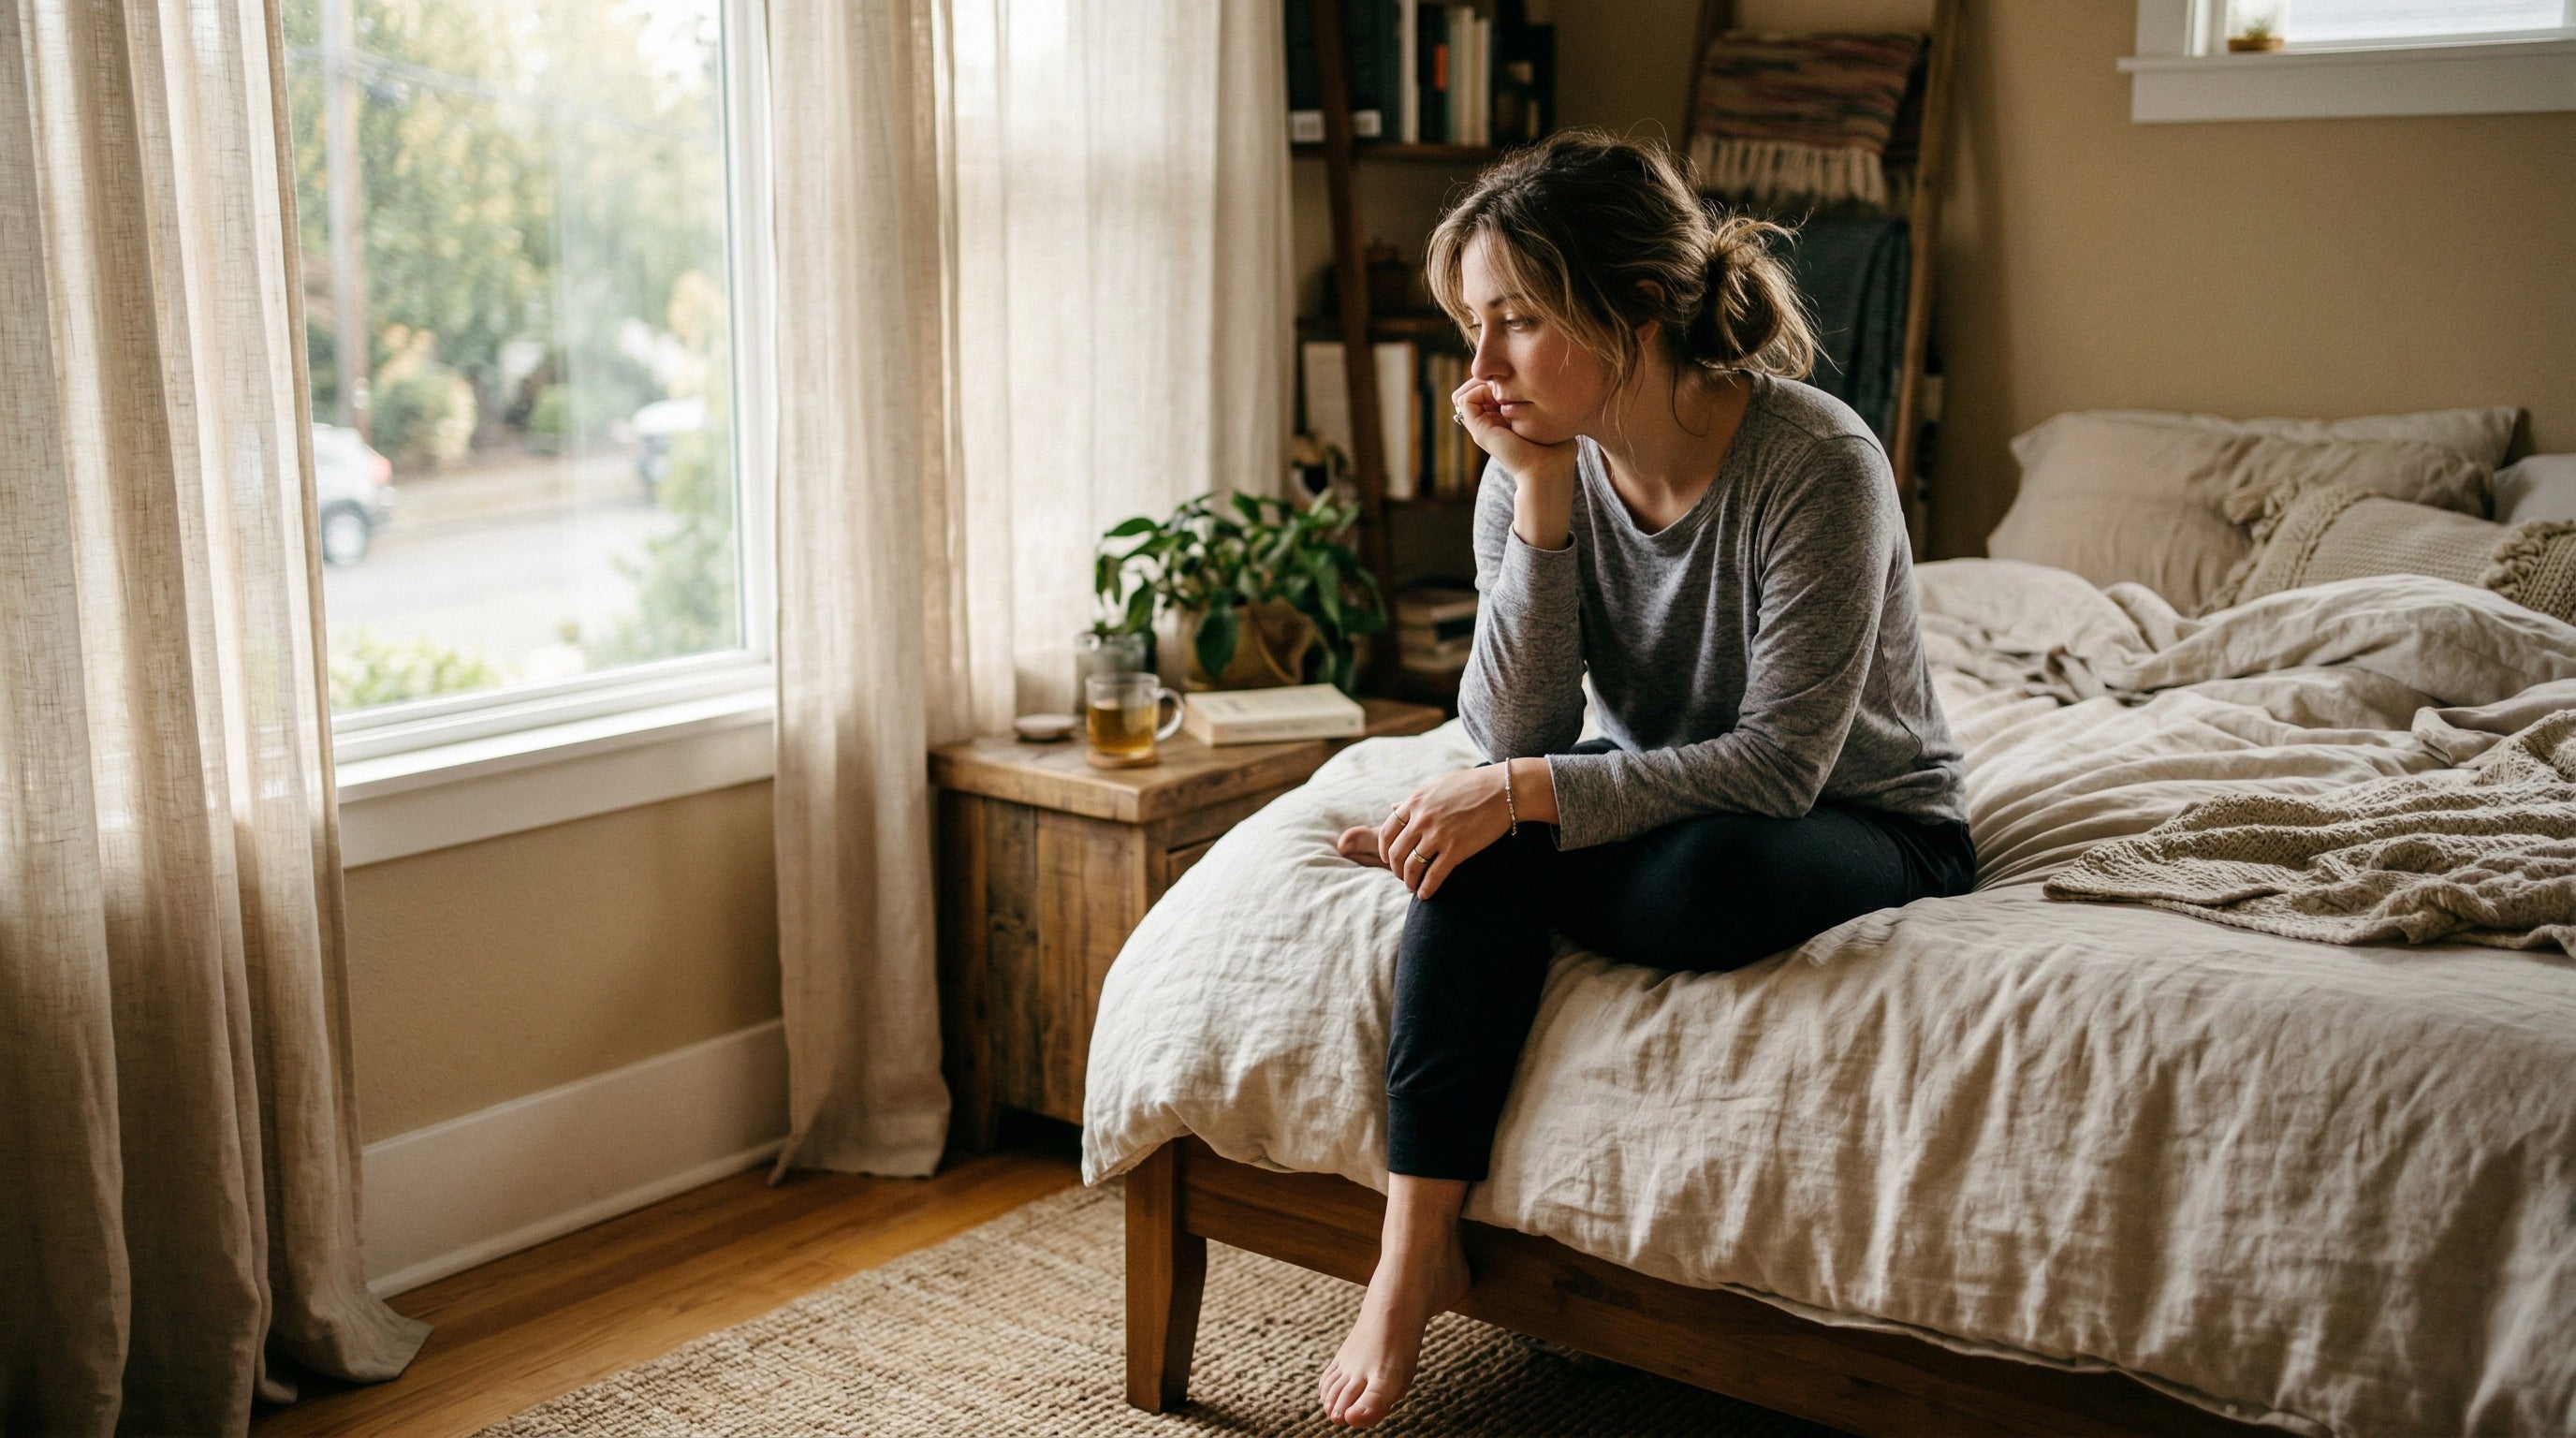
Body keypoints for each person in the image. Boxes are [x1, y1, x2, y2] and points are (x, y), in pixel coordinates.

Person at [1315, 130, 1975, 1429]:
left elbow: (1783, 765)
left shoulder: (1817, 464)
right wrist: (1545, 505)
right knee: (1480, 842)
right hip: (1657, 785)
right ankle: (1413, 1247)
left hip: (1864, 816)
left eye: (1516, 321)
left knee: (1662, 869)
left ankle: (1487, 888)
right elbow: (1520, 730)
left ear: (1639, 311)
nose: (1482, 368)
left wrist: (1512, 807)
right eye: (1473, 326)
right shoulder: (1531, 464)